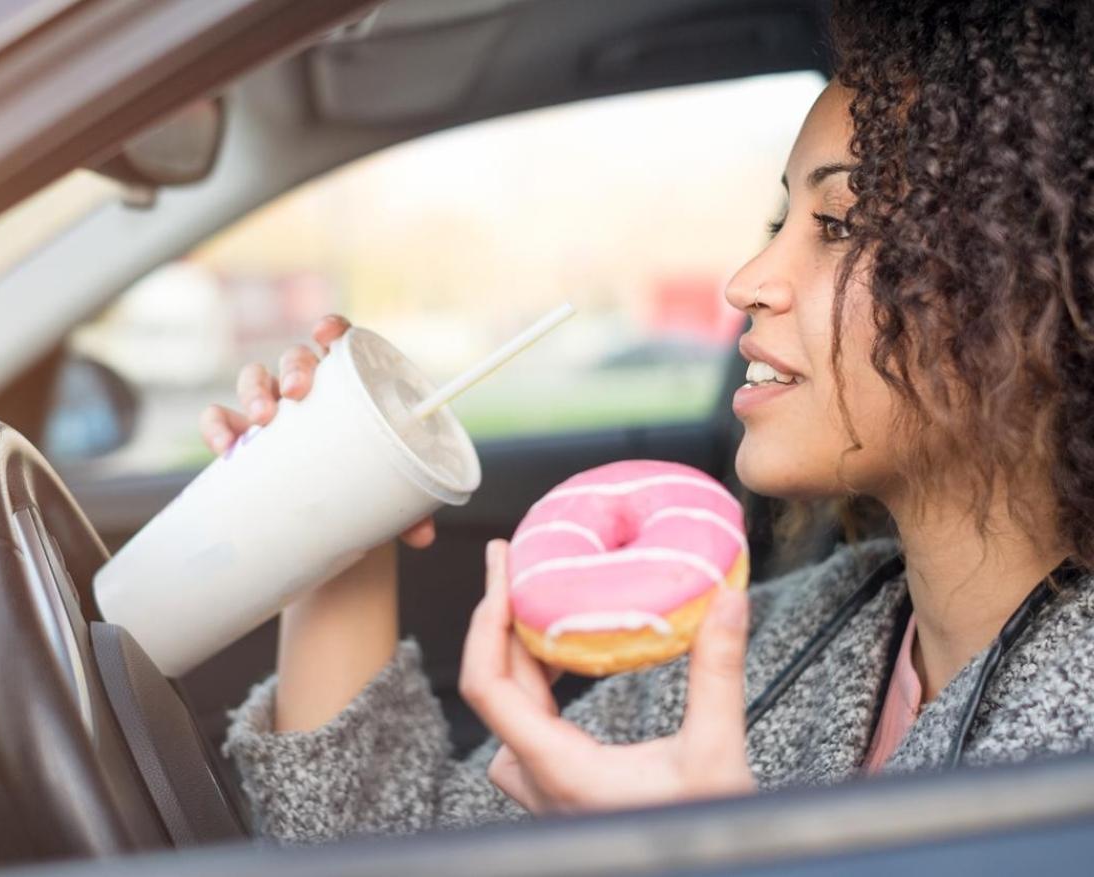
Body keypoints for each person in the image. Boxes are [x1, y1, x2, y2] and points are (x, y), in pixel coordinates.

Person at [199, 0, 1094, 845]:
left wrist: (714, 853)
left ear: (1041, 290)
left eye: (838, 221)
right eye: (784, 218)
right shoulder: (801, 628)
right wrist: (340, 523)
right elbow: (385, 848)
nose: (747, 279)